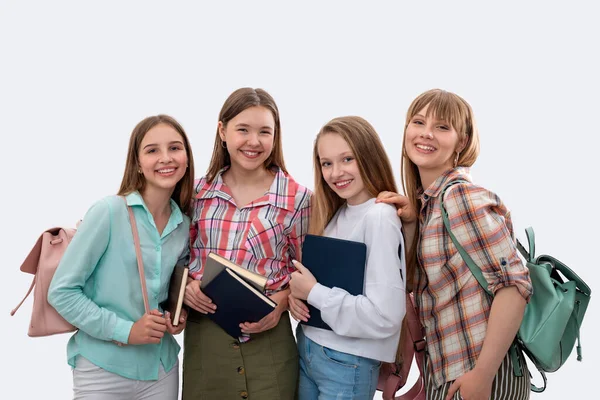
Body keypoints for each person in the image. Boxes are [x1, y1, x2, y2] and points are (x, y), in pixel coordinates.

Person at [377, 89, 533, 400]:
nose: (426, 134)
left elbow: (514, 286)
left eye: (442, 127)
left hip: (481, 374)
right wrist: (411, 223)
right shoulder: (430, 206)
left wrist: (482, 374)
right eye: (418, 122)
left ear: (461, 141)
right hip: (451, 375)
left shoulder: (459, 197)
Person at [48, 114, 195, 399]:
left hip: (161, 368)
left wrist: (175, 317)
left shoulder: (184, 225)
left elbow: (163, 295)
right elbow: (62, 292)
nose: (166, 158)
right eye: (152, 150)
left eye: (175, 148)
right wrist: (127, 331)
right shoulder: (109, 212)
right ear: (138, 163)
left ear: (187, 158)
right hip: (102, 368)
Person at [182, 87, 311, 400]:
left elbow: (308, 275)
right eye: (243, 130)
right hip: (206, 342)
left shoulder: (298, 199)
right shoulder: (196, 194)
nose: (254, 142)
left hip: (269, 341)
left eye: (264, 131)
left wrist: (281, 302)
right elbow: (175, 259)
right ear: (223, 131)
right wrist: (185, 286)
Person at [288, 116, 406, 400]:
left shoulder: (379, 216)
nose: (335, 172)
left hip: (346, 361)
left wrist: (314, 293)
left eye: (347, 159)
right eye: (326, 163)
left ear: (368, 156)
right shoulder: (337, 213)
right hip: (309, 349)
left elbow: (384, 316)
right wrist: (299, 297)